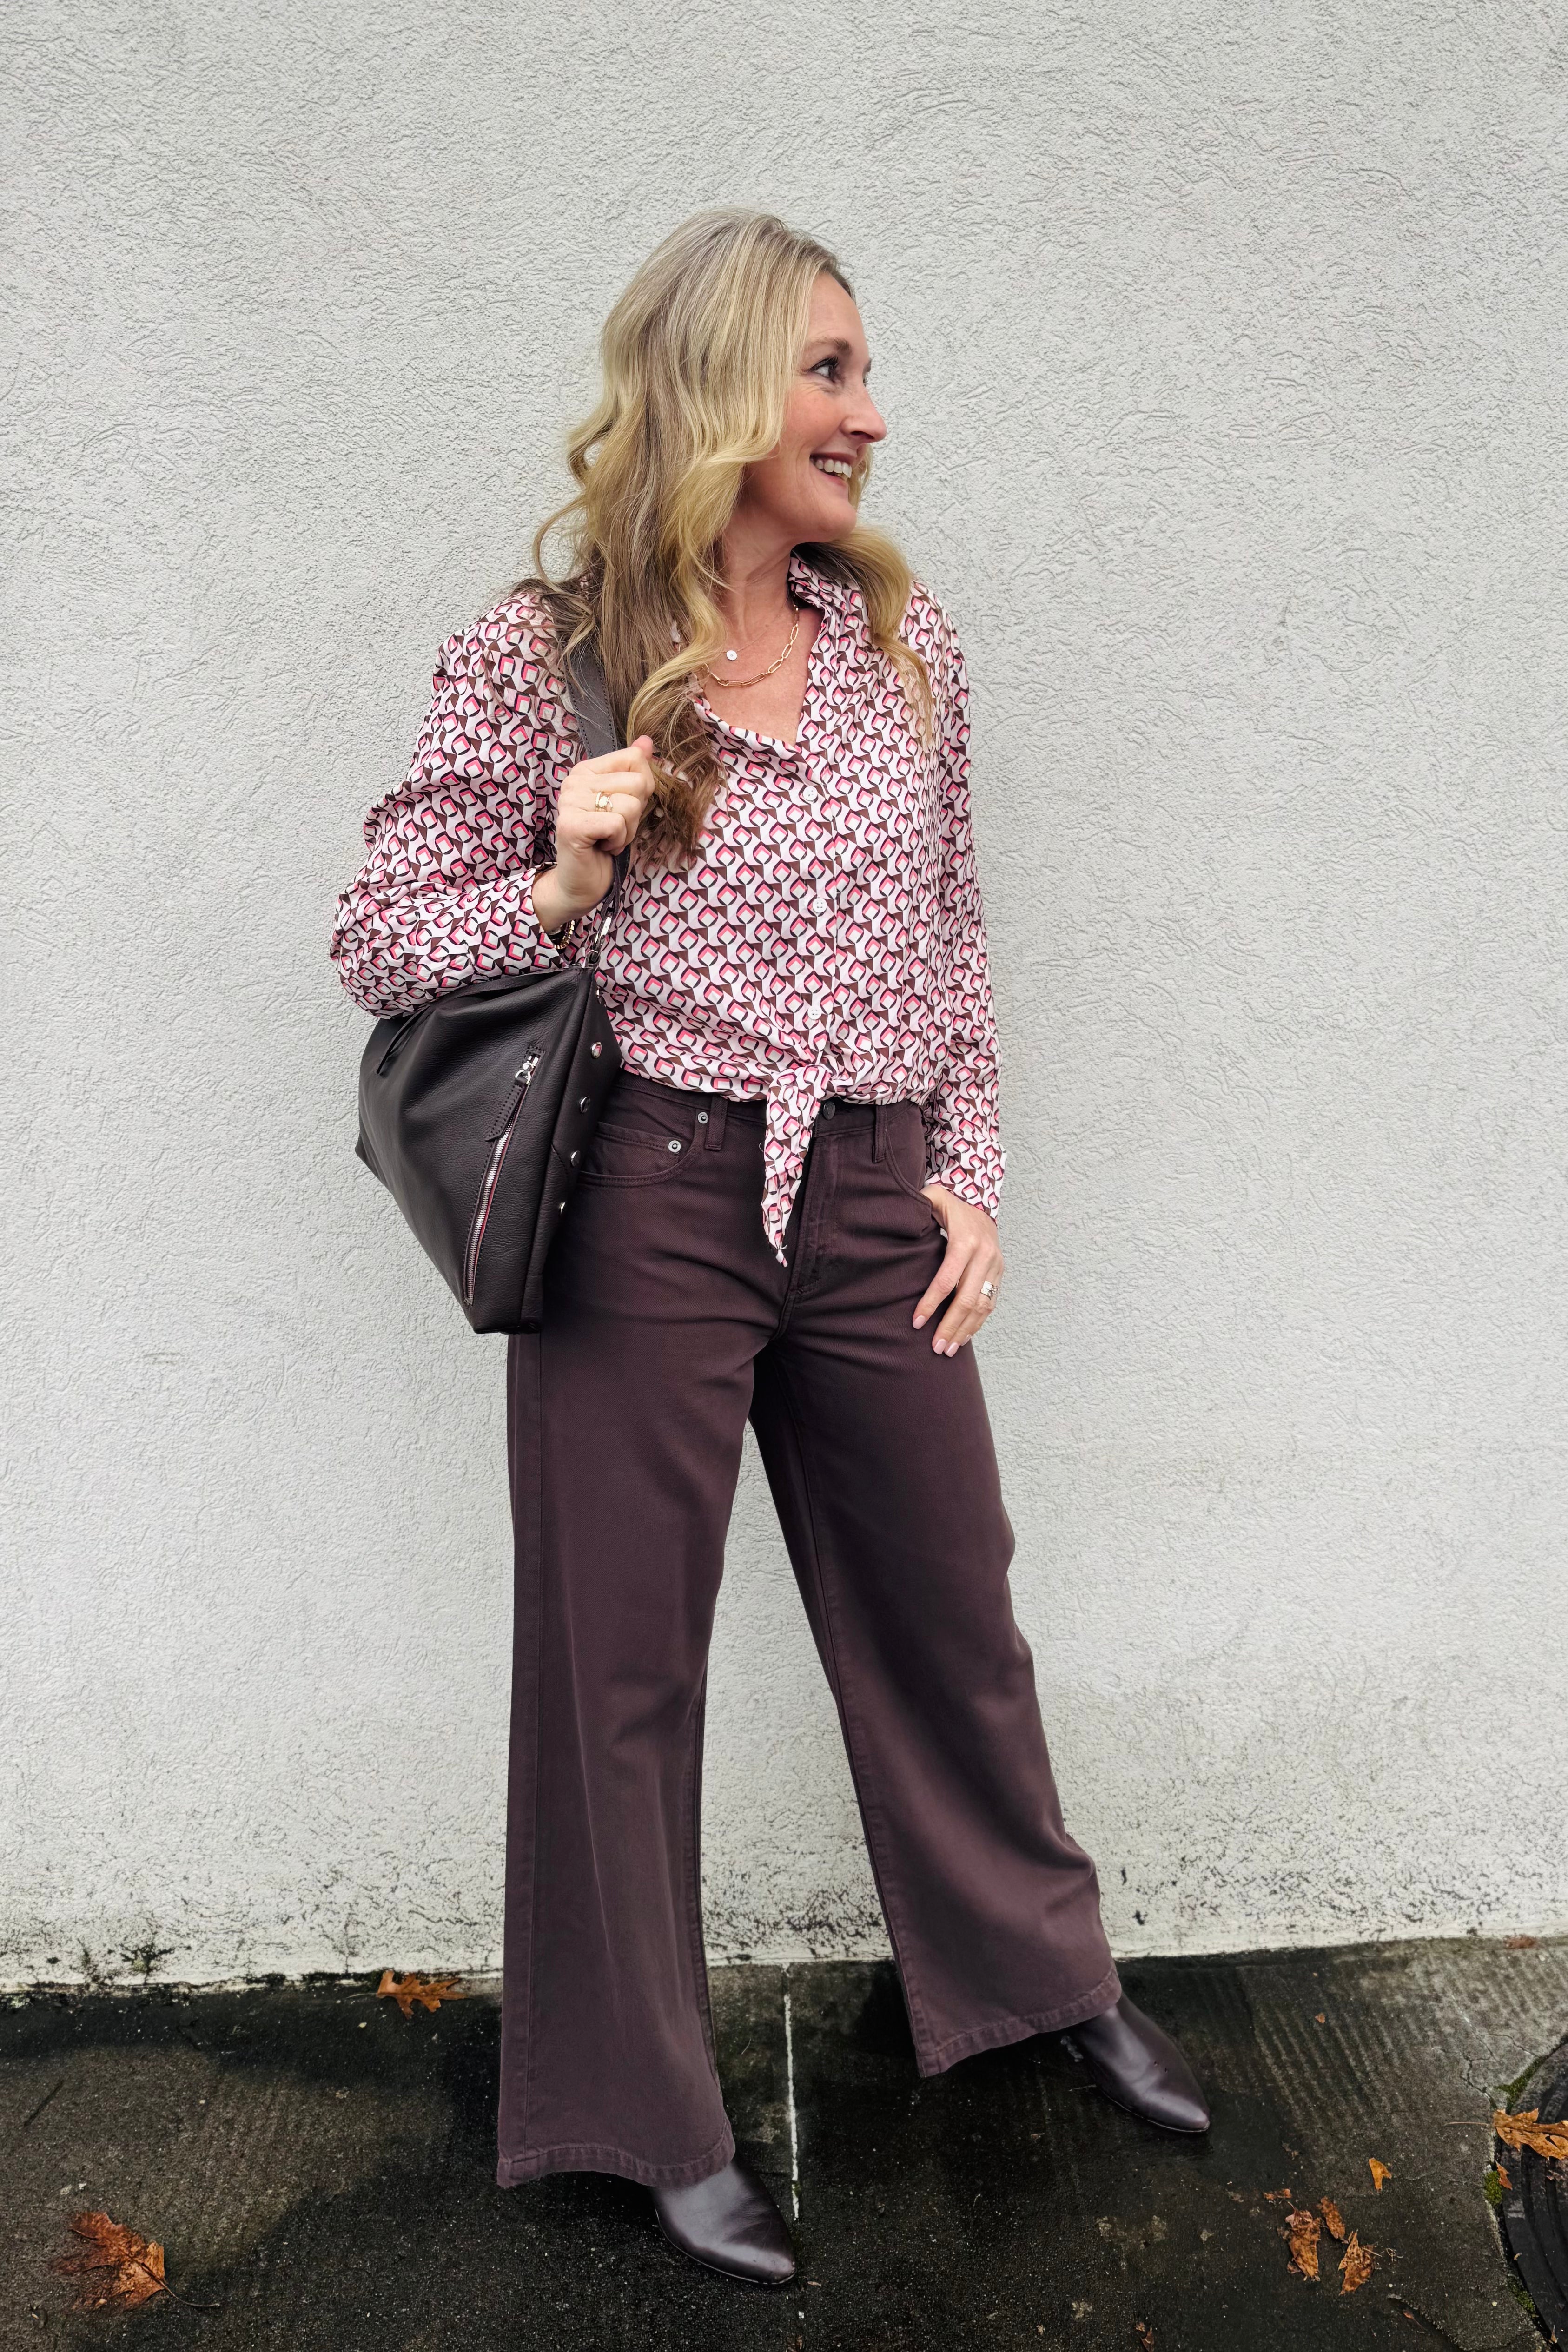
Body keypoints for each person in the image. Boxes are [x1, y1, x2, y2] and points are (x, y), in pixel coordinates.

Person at [329, 209, 1208, 2288]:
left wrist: (969, 1166)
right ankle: (634, 2113)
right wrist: (555, 864)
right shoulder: (530, 648)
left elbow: (954, 934)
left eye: (864, 369)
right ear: (719, 385)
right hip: (648, 1188)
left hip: (876, 1176)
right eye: (829, 369)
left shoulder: (909, 646)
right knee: (619, 1666)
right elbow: (378, 934)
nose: (869, 412)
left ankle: (1029, 1976)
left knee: (947, 1596)